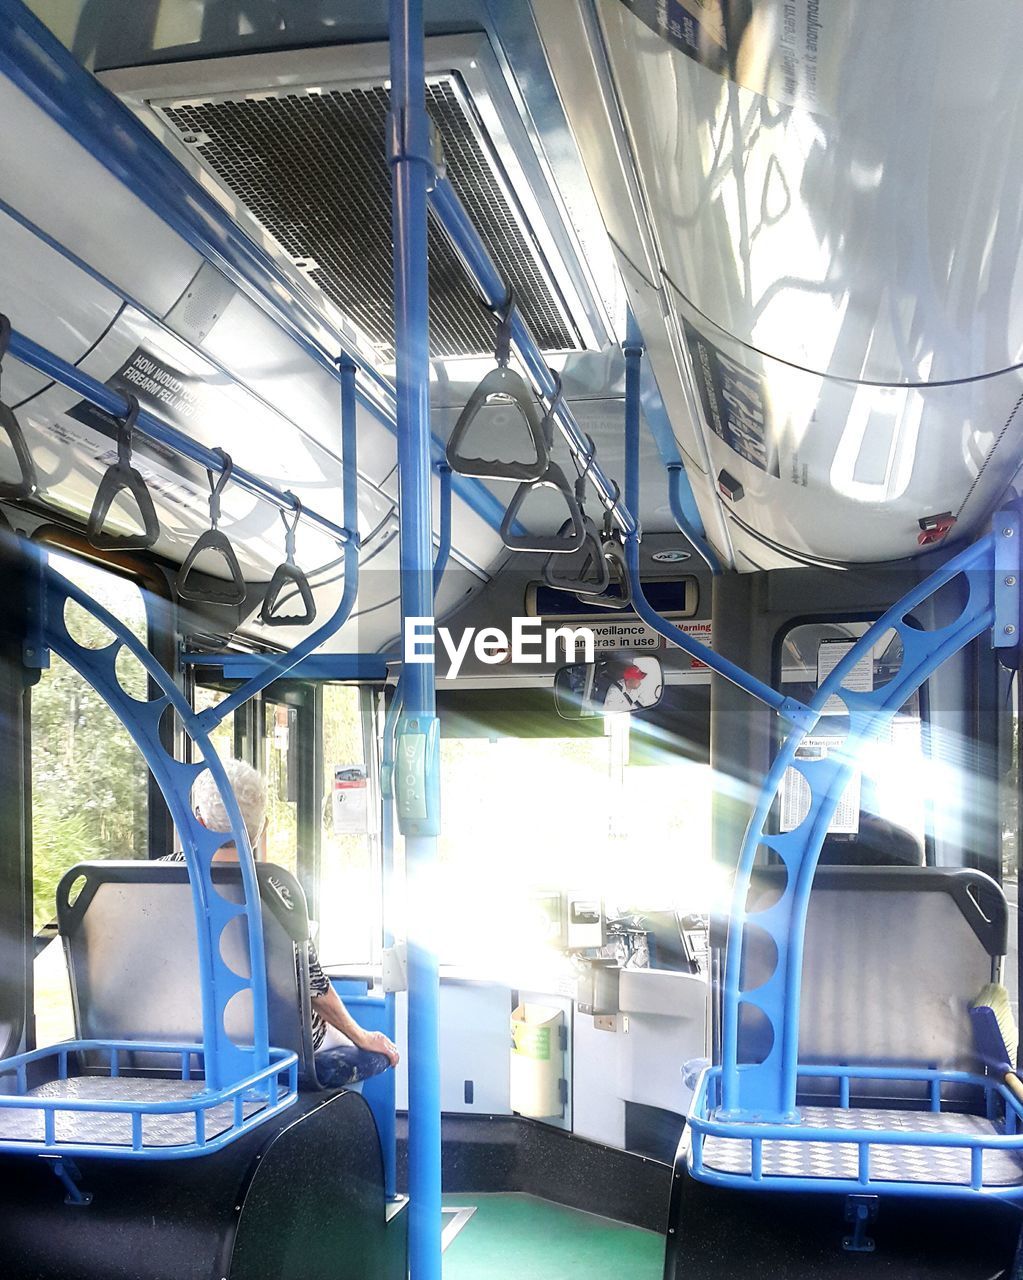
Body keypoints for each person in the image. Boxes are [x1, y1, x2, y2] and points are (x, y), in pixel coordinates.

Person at [163, 758, 399, 1081]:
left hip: (183, 1040)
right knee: (348, 1046)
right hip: (277, 1044)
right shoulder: (276, 890)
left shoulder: (165, 876)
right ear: (261, 829)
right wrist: (360, 1035)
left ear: (199, 821)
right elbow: (313, 988)